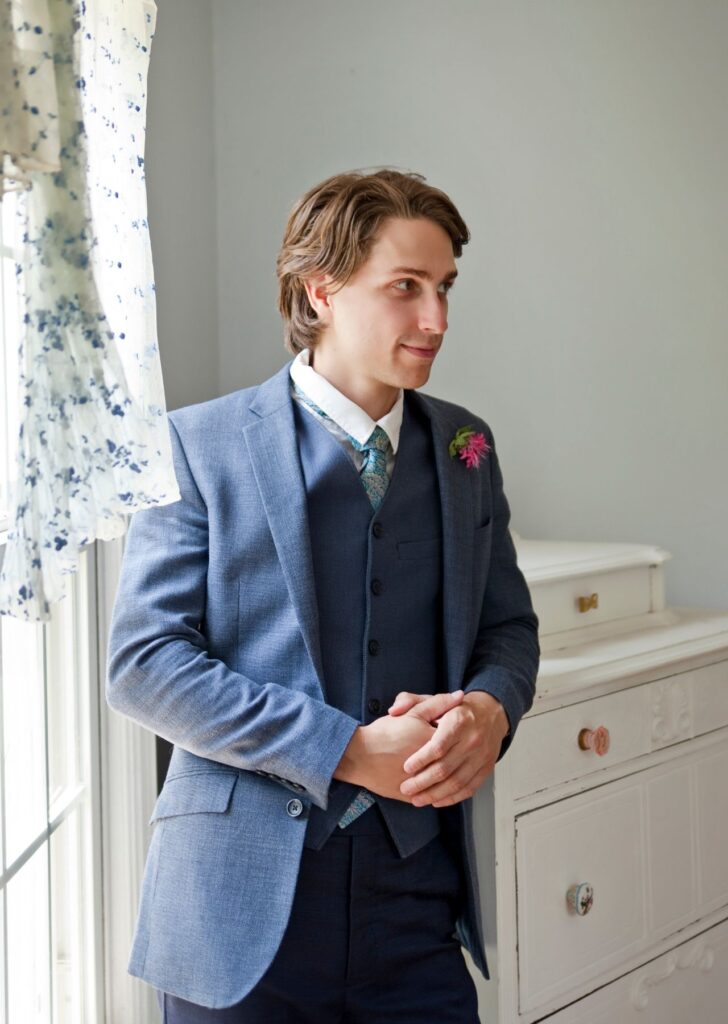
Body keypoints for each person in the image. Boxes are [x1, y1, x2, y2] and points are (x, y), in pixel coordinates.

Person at [107, 168, 539, 1023]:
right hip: (236, 909)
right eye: (406, 288)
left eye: (445, 288)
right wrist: (343, 748)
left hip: (416, 897)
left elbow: (509, 629)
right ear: (323, 289)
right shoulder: (199, 445)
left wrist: (492, 709)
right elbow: (145, 665)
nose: (436, 320)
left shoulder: (464, 444)